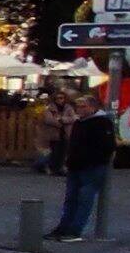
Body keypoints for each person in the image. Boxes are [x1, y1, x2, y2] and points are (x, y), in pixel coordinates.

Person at [46, 100, 118, 240]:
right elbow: (73, 144)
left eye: (83, 106)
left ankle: (75, 231)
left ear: (93, 108)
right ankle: (63, 228)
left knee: (84, 200)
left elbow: (108, 146)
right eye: (78, 106)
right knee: (71, 199)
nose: (79, 109)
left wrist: (96, 160)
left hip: (92, 167)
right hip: (75, 166)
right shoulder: (79, 123)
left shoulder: (102, 123)